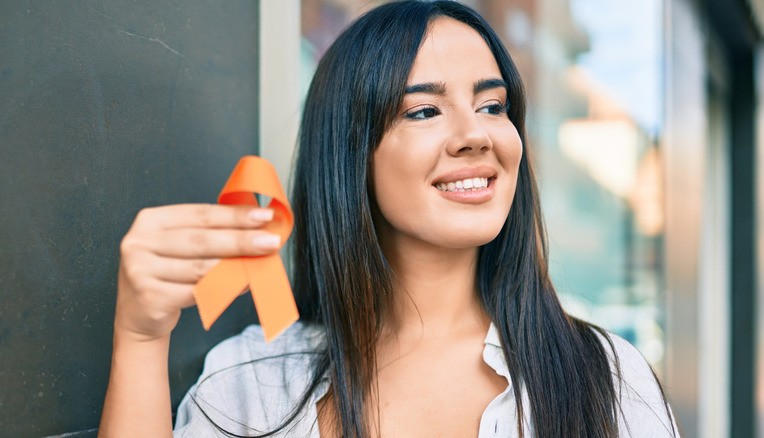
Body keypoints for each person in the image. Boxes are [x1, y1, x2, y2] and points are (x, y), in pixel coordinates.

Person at [99, 1, 680, 437]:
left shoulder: (603, 378)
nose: (476, 134)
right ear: (352, 153)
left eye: (493, 105)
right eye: (424, 110)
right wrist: (140, 338)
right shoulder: (253, 381)